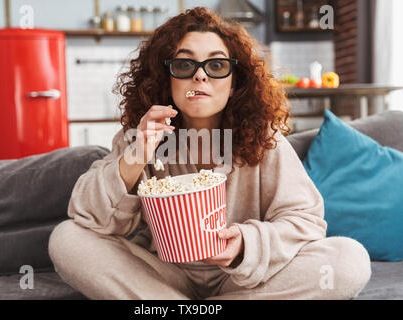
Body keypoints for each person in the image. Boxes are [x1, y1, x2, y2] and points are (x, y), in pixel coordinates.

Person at [48, 7, 371, 300]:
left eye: (216, 65)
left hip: (245, 281)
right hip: (163, 277)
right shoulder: (141, 135)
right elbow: (89, 218)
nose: (199, 75)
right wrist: (137, 151)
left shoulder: (265, 140)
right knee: (66, 239)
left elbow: (305, 220)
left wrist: (246, 244)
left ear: (233, 84)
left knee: (348, 259)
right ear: (168, 78)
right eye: (185, 64)